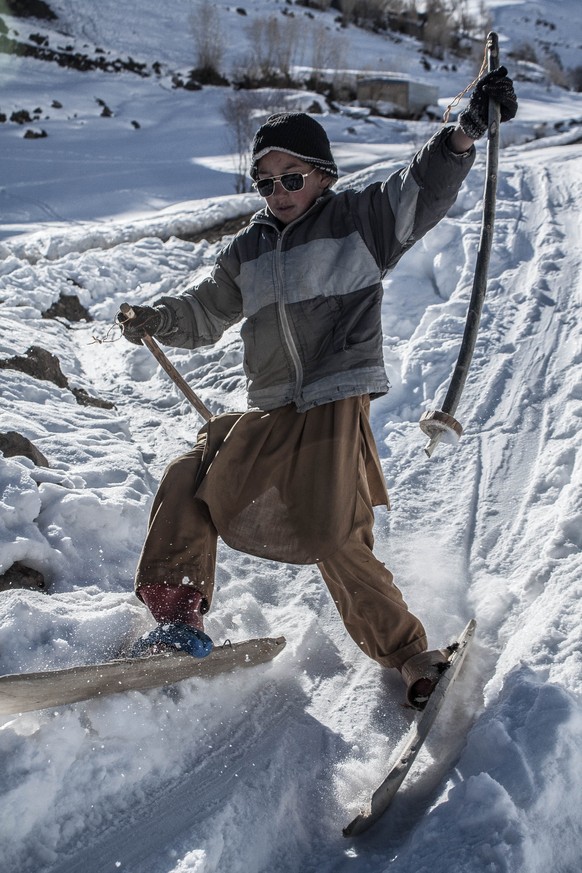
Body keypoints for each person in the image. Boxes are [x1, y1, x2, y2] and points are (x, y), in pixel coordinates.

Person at [118, 67, 517, 708]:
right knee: (192, 473)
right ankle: (176, 615)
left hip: (335, 405)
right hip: (275, 412)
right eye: (266, 182)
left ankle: (411, 653)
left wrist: (464, 132)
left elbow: (421, 187)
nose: (278, 193)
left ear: (323, 175)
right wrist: (157, 320)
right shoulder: (247, 252)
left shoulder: (359, 222)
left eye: (292, 179)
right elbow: (205, 311)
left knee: (333, 531)